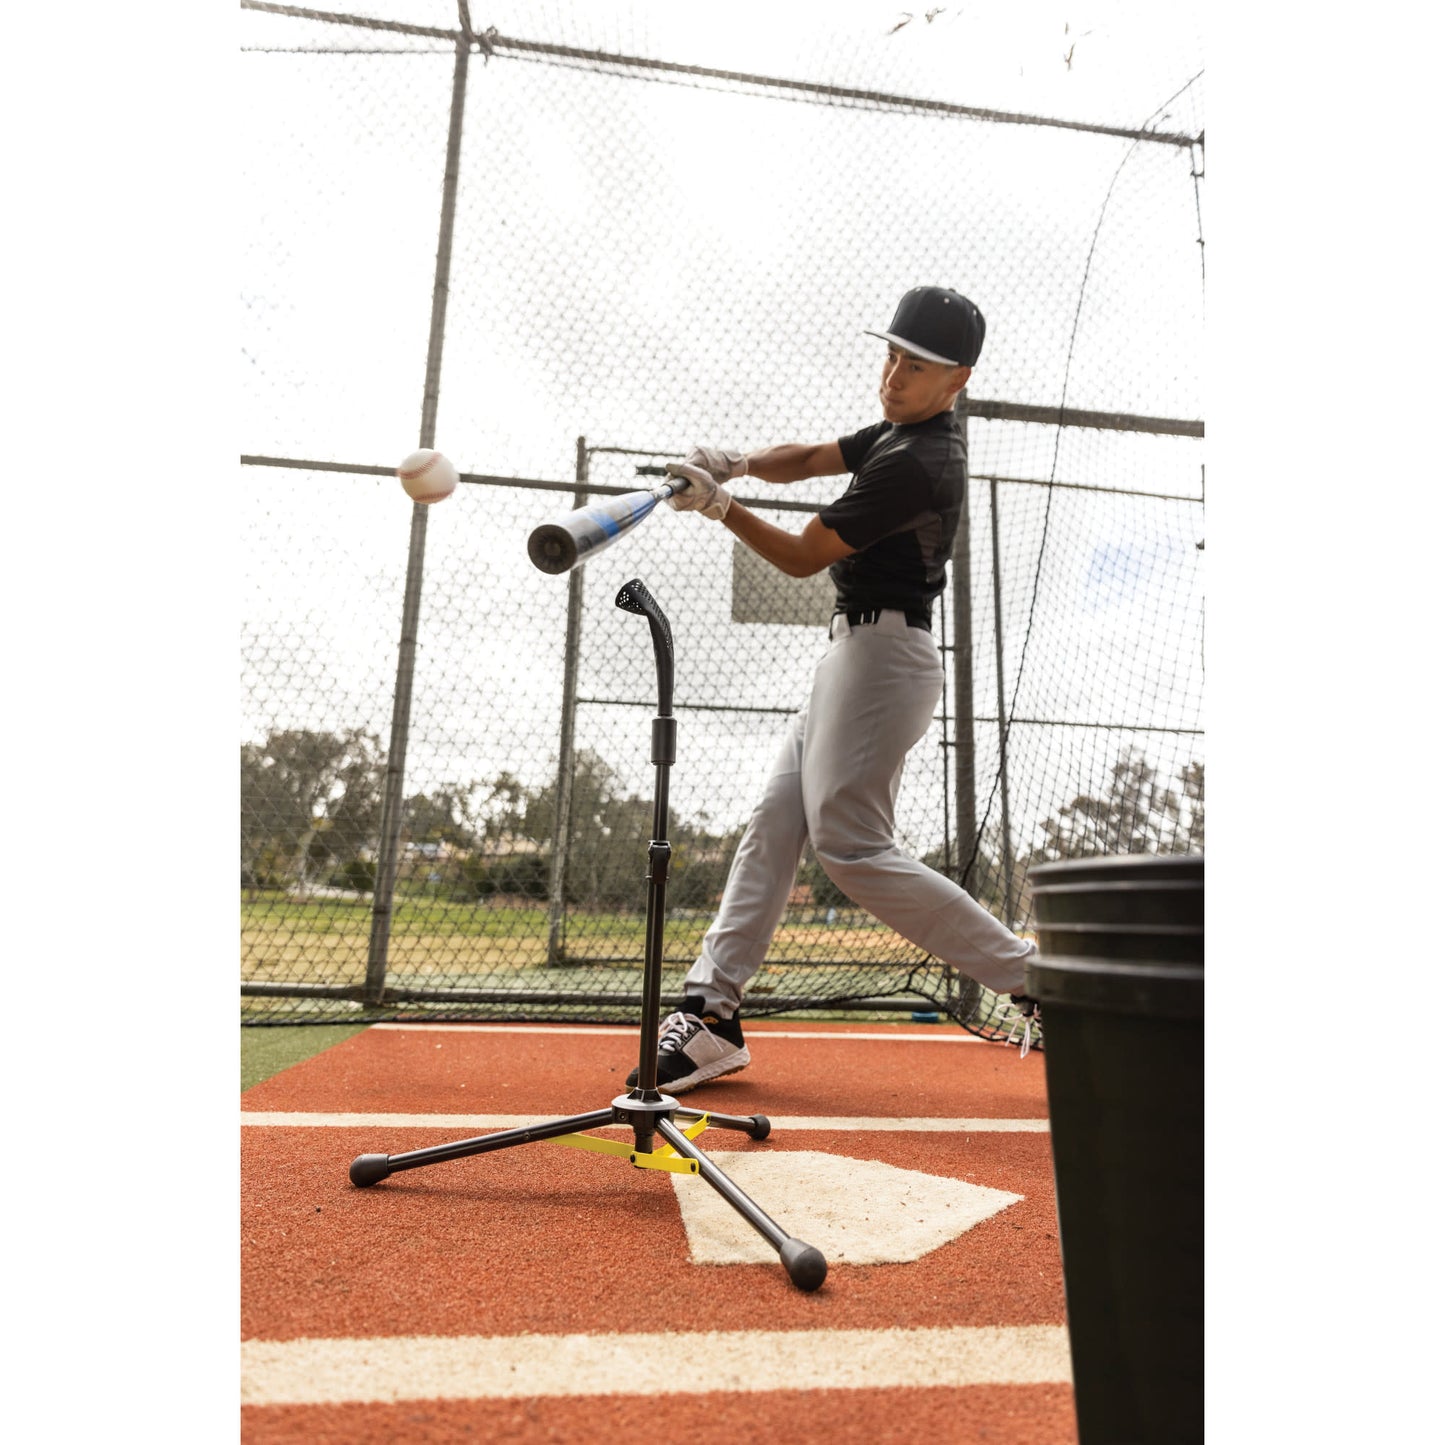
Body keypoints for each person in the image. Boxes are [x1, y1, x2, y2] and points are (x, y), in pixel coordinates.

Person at [628, 286, 1041, 1095]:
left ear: (955, 378)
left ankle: (1041, 979)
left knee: (850, 845)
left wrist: (719, 505)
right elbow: (812, 457)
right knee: (774, 823)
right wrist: (736, 462)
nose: (893, 373)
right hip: (851, 650)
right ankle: (712, 1016)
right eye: (889, 353)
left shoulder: (921, 461)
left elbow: (799, 555)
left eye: (915, 364)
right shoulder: (897, 429)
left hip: (886, 657)